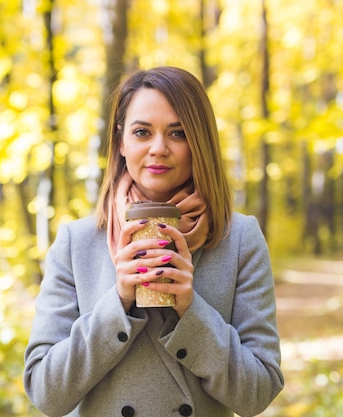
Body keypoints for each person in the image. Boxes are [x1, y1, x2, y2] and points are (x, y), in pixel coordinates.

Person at [23, 66, 284, 417]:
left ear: (199, 142)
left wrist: (191, 311)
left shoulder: (238, 239)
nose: (158, 149)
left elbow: (258, 393)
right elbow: (44, 393)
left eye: (177, 133)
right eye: (142, 132)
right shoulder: (77, 243)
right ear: (121, 142)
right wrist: (117, 304)